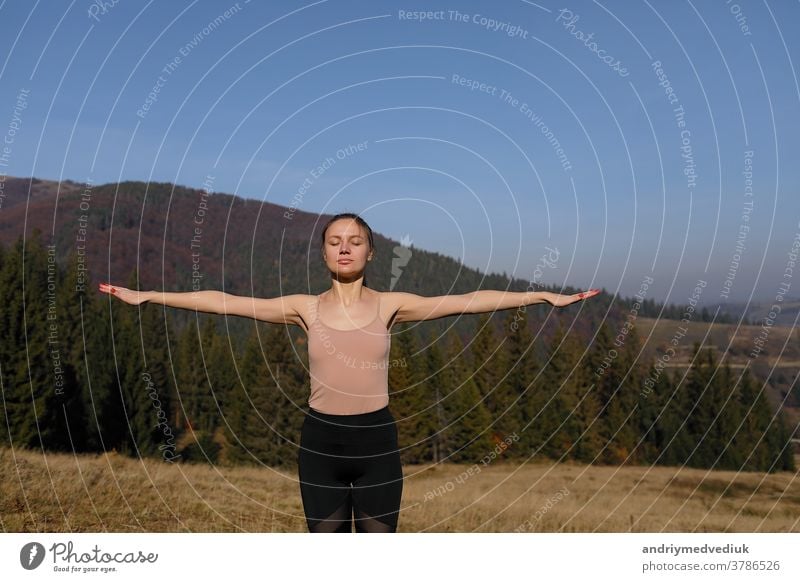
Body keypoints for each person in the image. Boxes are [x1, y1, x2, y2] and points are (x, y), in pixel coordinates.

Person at [99, 212, 600, 532]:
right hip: (320, 444)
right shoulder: (303, 308)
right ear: (322, 252)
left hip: (377, 443)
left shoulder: (391, 305)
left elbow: (469, 301)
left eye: (355, 241)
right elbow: (226, 302)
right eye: (335, 240)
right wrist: (149, 296)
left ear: (370, 252)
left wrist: (541, 296)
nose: (344, 247)